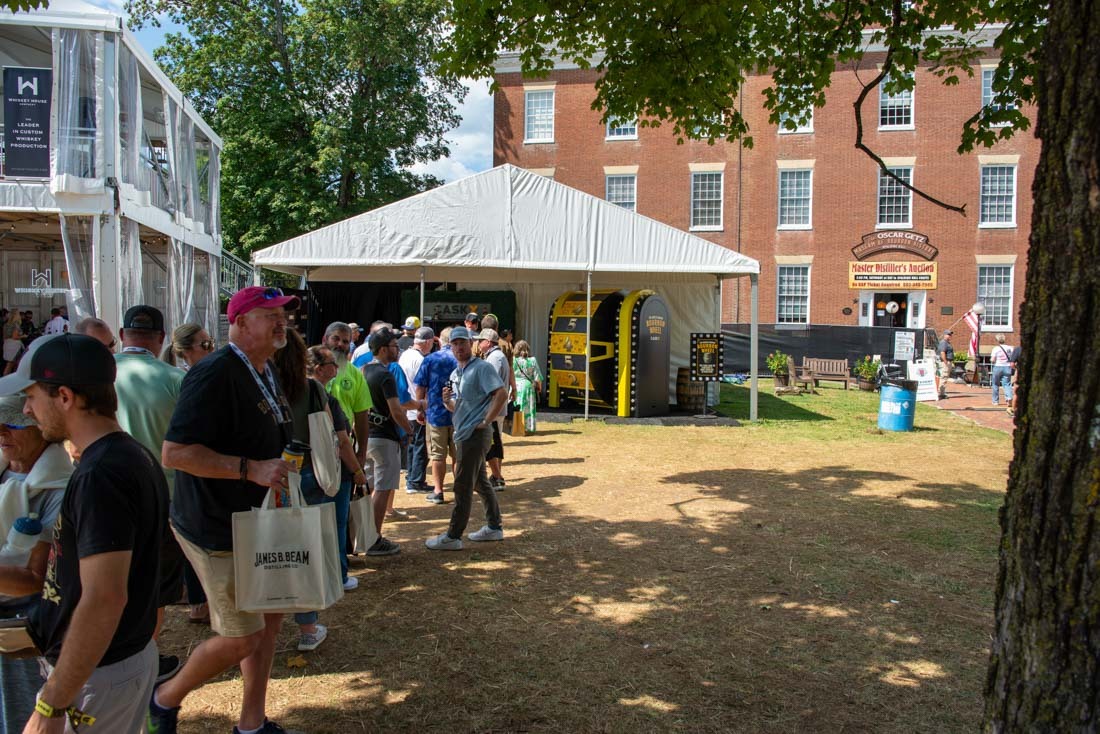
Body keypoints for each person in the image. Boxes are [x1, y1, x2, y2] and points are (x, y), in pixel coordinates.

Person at [151, 286, 302, 734]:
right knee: (243, 636)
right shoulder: (214, 373)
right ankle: (163, 699)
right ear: (238, 322)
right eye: (269, 314)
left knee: (269, 619)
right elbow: (174, 453)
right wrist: (250, 469)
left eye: (284, 315)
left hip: (258, 521)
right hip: (216, 526)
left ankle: (251, 724)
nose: (281, 322)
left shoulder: (264, 369)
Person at [0, 333, 167, 733]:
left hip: (96, 675)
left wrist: (52, 703)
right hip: (113, 663)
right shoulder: (131, 455)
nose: (27, 409)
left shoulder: (100, 475)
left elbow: (104, 598)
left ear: (64, 397)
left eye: (31, 396)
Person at [273, 330, 364, 652]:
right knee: (307, 548)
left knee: (271, 545)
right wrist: (355, 470)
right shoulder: (312, 389)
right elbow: (335, 437)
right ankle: (308, 626)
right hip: (308, 472)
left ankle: (265, 621)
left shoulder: (258, 387)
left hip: (267, 474)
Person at [112, 305, 188, 680]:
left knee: (111, 578)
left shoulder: (99, 373)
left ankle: (116, 655)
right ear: (160, 339)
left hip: (106, 494)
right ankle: (144, 658)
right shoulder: (176, 378)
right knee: (155, 584)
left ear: (122, 335)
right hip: (163, 495)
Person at [0, 395, 71, 734]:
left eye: (12, 424)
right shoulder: (5, 468)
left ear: (41, 427)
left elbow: (36, 577)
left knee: (21, 715)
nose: (2, 433)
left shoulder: (58, 489)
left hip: (24, 629)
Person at [425, 327, 508, 551]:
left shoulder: (482, 368)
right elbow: (458, 407)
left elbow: (501, 393)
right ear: (450, 346)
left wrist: (486, 420)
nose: (459, 347)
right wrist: (447, 402)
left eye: (463, 342)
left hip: (475, 435)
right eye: (455, 343)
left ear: (471, 344)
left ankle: (453, 536)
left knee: (462, 485)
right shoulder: (456, 373)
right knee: (480, 482)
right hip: (463, 433)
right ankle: (494, 526)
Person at [306, 345, 364, 588]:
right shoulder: (325, 398)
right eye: (332, 364)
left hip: (304, 470)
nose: (337, 368)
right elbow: (341, 441)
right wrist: (357, 470)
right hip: (332, 471)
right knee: (336, 524)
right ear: (319, 369)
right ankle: (338, 576)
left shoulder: (292, 393)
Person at [361, 328, 413, 555]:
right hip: (384, 438)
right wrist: (409, 430)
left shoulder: (363, 370)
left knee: (368, 489)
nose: (397, 349)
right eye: (394, 345)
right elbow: (396, 410)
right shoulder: (386, 375)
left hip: (367, 437)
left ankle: (361, 535)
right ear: (383, 349)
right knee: (383, 489)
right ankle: (374, 539)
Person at [413, 327, 458, 505]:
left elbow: (420, 386)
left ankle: (438, 491)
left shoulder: (430, 359)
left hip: (436, 413)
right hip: (458, 414)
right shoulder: (461, 359)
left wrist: (420, 409)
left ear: (441, 341)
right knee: (458, 454)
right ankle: (460, 489)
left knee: (437, 455)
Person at [325, 322, 372, 472]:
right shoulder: (307, 367)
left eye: (345, 341)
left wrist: (361, 453)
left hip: (344, 450)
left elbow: (361, 415)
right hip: (312, 449)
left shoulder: (355, 374)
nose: (340, 344)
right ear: (325, 339)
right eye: (336, 339)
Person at [477, 329, 513, 489]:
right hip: (496, 408)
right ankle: (496, 476)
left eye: (480, 341)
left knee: (491, 443)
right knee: (495, 442)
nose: (478, 344)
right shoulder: (498, 356)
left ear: (488, 342)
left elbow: (491, 384)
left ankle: (497, 477)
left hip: (493, 409)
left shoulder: (494, 358)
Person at [399, 327, 433, 495]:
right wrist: (422, 409)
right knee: (421, 446)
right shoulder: (421, 360)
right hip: (417, 407)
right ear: (427, 342)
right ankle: (416, 481)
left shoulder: (405, 355)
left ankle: (411, 478)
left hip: (406, 407)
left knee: (413, 445)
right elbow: (422, 386)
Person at [512, 340, 543, 433]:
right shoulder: (532, 360)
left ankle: (516, 427)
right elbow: (538, 377)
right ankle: (528, 428)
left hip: (516, 386)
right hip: (528, 386)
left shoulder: (513, 360)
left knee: (517, 407)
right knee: (528, 408)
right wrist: (539, 388)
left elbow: (510, 374)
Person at [990, 333, 1015, 412]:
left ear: (997, 340)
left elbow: (993, 359)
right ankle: (1009, 398)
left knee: (995, 384)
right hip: (1007, 367)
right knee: (1007, 384)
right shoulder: (1010, 348)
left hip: (998, 367)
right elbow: (1013, 358)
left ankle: (995, 401)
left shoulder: (996, 349)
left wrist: (992, 360)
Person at [937, 330, 954, 400]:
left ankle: (942, 393)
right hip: (945, 362)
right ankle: (940, 393)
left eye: (950, 335)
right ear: (944, 335)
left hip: (948, 361)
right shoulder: (943, 343)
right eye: (948, 334)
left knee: (945, 377)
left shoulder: (947, 343)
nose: (950, 336)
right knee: (944, 377)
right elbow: (942, 353)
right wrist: (945, 362)